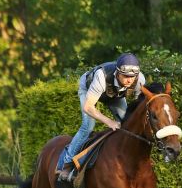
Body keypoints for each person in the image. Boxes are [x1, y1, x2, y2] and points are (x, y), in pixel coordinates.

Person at [58, 53, 146, 181]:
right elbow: (88, 107)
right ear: (117, 73)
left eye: (133, 77)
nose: (130, 80)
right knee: (88, 126)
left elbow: (139, 107)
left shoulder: (140, 80)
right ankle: (66, 164)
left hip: (114, 95)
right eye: (126, 76)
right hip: (88, 90)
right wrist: (109, 121)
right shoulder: (101, 76)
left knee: (128, 124)